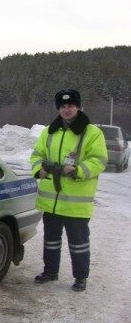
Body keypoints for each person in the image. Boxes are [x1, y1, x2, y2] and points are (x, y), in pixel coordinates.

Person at [30, 89, 107, 291]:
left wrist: (79, 170)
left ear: (78, 107)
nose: (66, 109)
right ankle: (50, 271)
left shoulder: (92, 132)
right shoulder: (50, 131)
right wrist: (39, 169)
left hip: (75, 202)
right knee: (51, 241)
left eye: (70, 106)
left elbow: (99, 160)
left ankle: (81, 277)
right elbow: (37, 153)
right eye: (63, 106)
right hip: (52, 201)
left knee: (78, 243)